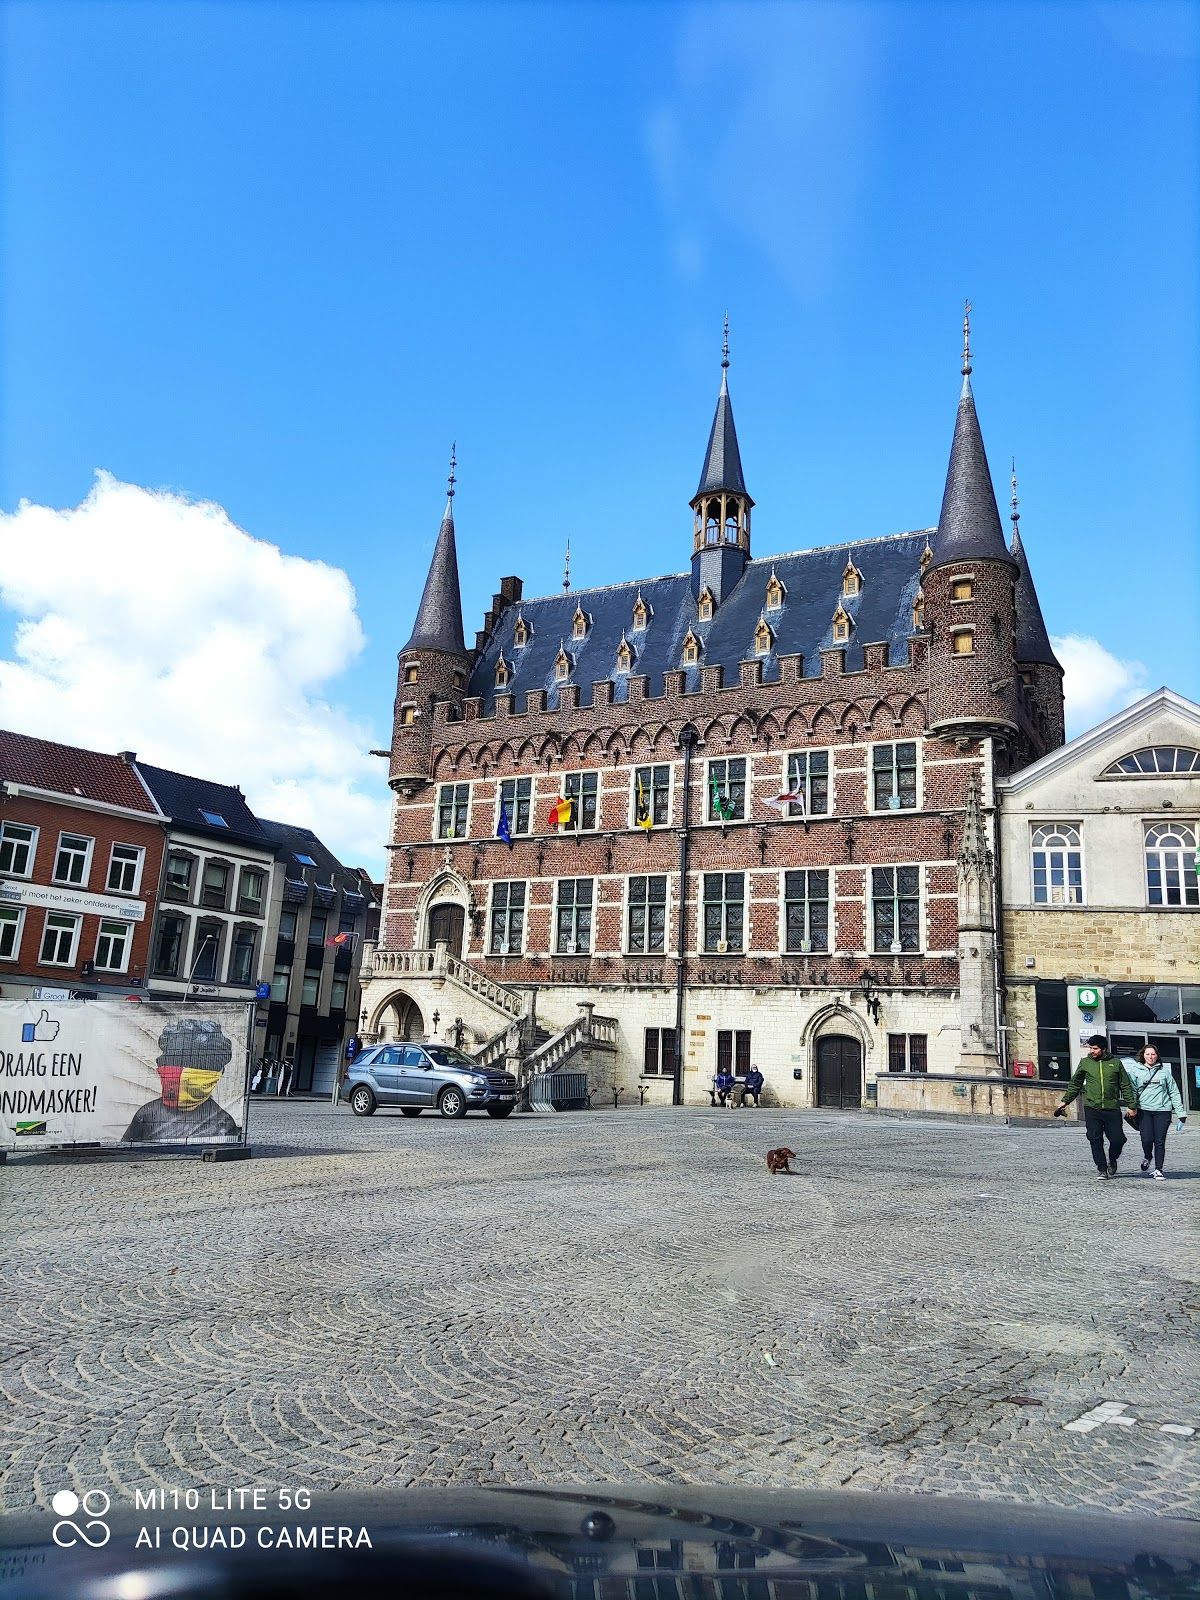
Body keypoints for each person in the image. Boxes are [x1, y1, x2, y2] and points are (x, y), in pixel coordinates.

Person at [1054, 1035, 1139, 1179]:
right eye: (1090, 1048)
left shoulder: (1116, 1063)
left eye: (1095, 1048)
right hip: (1092, 1108)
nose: (1091, 1051)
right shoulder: (1085, 1063)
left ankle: (1112, 1159)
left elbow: (1125, 1085)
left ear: (1103, 1049)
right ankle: (1102, 1168)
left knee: (1118, 1139)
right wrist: (1065, 1101)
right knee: (1094, 1138)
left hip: (1112, 1108)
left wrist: (1132, 1105)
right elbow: (1076, 1084)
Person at [1125, 1044, 1186, 1181]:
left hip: (1163, 1110)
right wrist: (1132, 1107)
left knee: (1159, 1141)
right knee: (1147, 1139)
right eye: (1148, 1054)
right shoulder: (1136, 1070)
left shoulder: (1164, 1072)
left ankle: (1159, 1169)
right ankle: (1147, 1155)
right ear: (1143, 1055)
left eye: (1153, 1054)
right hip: (1144, 1110)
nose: (1150, 1057)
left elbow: (1174, 1092)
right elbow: (1132, 1091)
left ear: (1157, 1056)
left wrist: (1181, 1113)